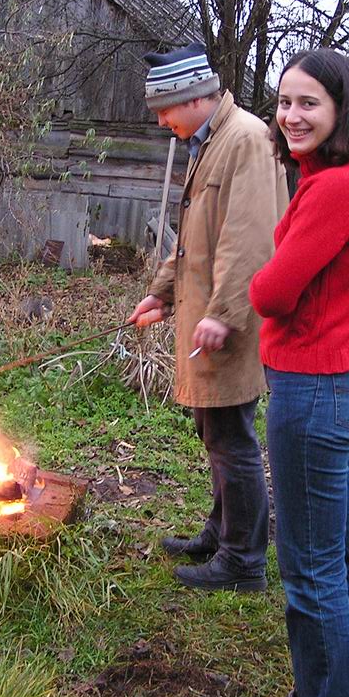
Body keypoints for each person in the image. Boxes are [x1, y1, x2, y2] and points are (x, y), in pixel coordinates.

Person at [238, 49, 349, 697]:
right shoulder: (341, 180)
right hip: (337, 381)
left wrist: (260, 280)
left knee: (311, 570)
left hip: (312, 389)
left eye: (309, 102)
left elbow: (273, 292)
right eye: (284, 102)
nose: (291, 115)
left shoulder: (336, 187)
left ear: (342, 110)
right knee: (347, 554)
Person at [129, 42, 287, 592]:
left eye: (164, 110)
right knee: (214, 430)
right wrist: (162, 294)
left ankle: (243, 562)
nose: (161, 122)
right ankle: (222, 533)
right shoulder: (210, 141)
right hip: (205, 319)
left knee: (231, 438)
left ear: (192, 97)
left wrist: (222, 314)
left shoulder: (246, 140)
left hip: (229, 324)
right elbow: (196, 241)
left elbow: (251, 242)